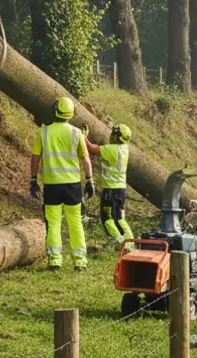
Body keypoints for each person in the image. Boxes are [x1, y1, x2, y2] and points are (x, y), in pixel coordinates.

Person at [29, 96, 93, 271]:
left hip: (52, 186)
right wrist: (89, 180)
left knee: (54, 223)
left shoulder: (44, 132)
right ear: (71, 113)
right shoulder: (76, 133)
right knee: (75, 223)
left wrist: (33, 180)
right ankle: (80, 261)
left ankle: (54, 261)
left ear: (54, 112)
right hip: (72, 186)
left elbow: (35, 158)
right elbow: (86, 159)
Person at [84, 123, 134, 243]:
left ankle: (120, 242)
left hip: (111, 191)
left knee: (107, 218)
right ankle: (130, 242)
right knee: (120, 218)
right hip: (121, 190)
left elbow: (91, 149)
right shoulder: (125, 149)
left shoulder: (112, 149)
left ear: (115, 137)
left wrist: (83, 136)